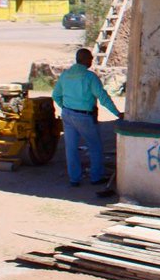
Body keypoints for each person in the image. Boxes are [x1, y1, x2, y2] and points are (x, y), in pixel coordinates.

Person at [52, 48, 124, 187]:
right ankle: (95, 177)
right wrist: (117, 113)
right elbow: (103, 97)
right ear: (85, 60)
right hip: (84, 116)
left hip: (67, 114)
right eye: (90, 58)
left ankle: (74, 179)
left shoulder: (65, 75)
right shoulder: (89, 77)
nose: (92, 60)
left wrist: (66, 107)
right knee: (95, 147)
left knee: (71, 148)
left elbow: (56, 95)